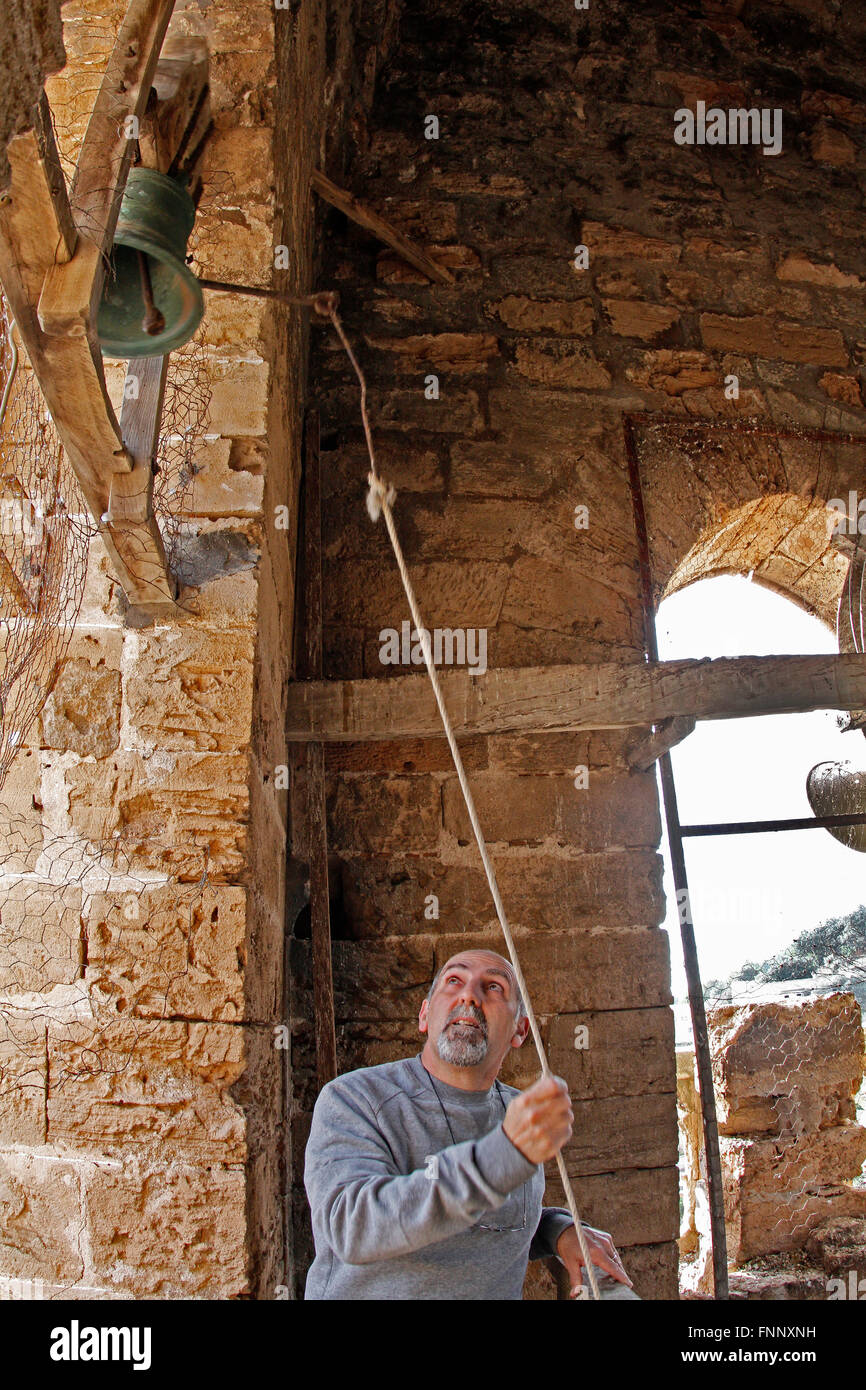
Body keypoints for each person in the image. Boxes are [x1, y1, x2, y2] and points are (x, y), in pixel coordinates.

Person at [304, 946, 639, 1300]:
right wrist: (503, 1156)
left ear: (520, 1031)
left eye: (494, 987)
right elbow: (352, 1227)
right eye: (454, 980)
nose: (469, 995)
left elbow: (499, 1220)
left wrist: (557, 1230)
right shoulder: (356, 1099)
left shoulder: (517, 1110)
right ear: (424, 1015)